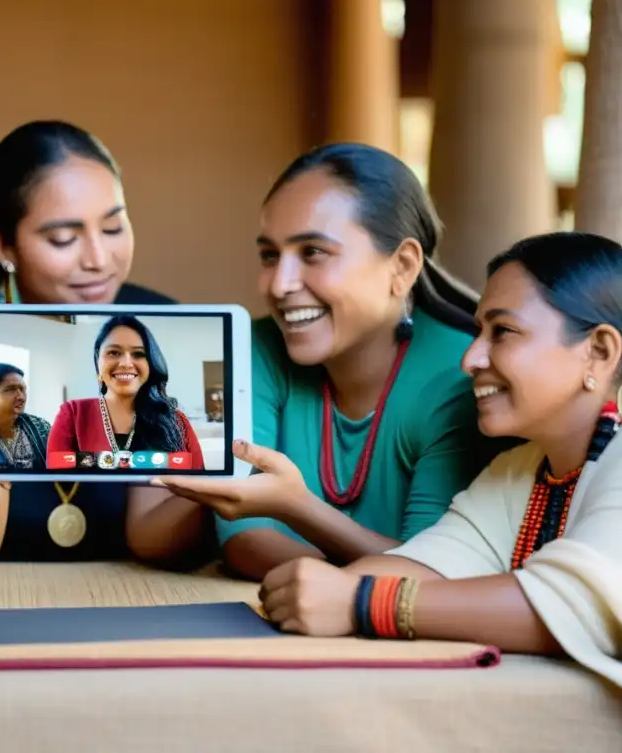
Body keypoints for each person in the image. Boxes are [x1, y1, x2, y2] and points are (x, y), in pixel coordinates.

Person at [241, 232, 622, 689]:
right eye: (478, 331)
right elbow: (425, 564)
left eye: (502, 331)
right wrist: (319, 588)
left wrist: (362, 602)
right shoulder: (519, 472)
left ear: (599, 352)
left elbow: (575, 604)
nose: (471, 358)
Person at [155, 143, 497, 580]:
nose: (280, 284)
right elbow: (245, 536)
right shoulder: (258, 346)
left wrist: (298, 515)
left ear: (403, 266)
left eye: (313, 252)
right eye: (270, 255)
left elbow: (431, 571)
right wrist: (345, 582)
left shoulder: (460, 376)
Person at [0, 120, 212, 574]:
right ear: (4, 243)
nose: (99, 260)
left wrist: (215, 477)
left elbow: (156, 537)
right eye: (63, 238)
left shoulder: (158, 324)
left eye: (115, 227)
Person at [46, 315, 205, 468]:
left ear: (150, 363)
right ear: (97, 359)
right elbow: (56, 484)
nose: (126, 363)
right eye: (114, 352)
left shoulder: (176, 421)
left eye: (138, 354)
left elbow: (199, 487)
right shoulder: (72, 414)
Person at [0, 362, 51, 470]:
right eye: (10, 389)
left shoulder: (41, 427)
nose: (21, 397)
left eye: (23, 390)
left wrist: (85, 460)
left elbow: (63, 459)